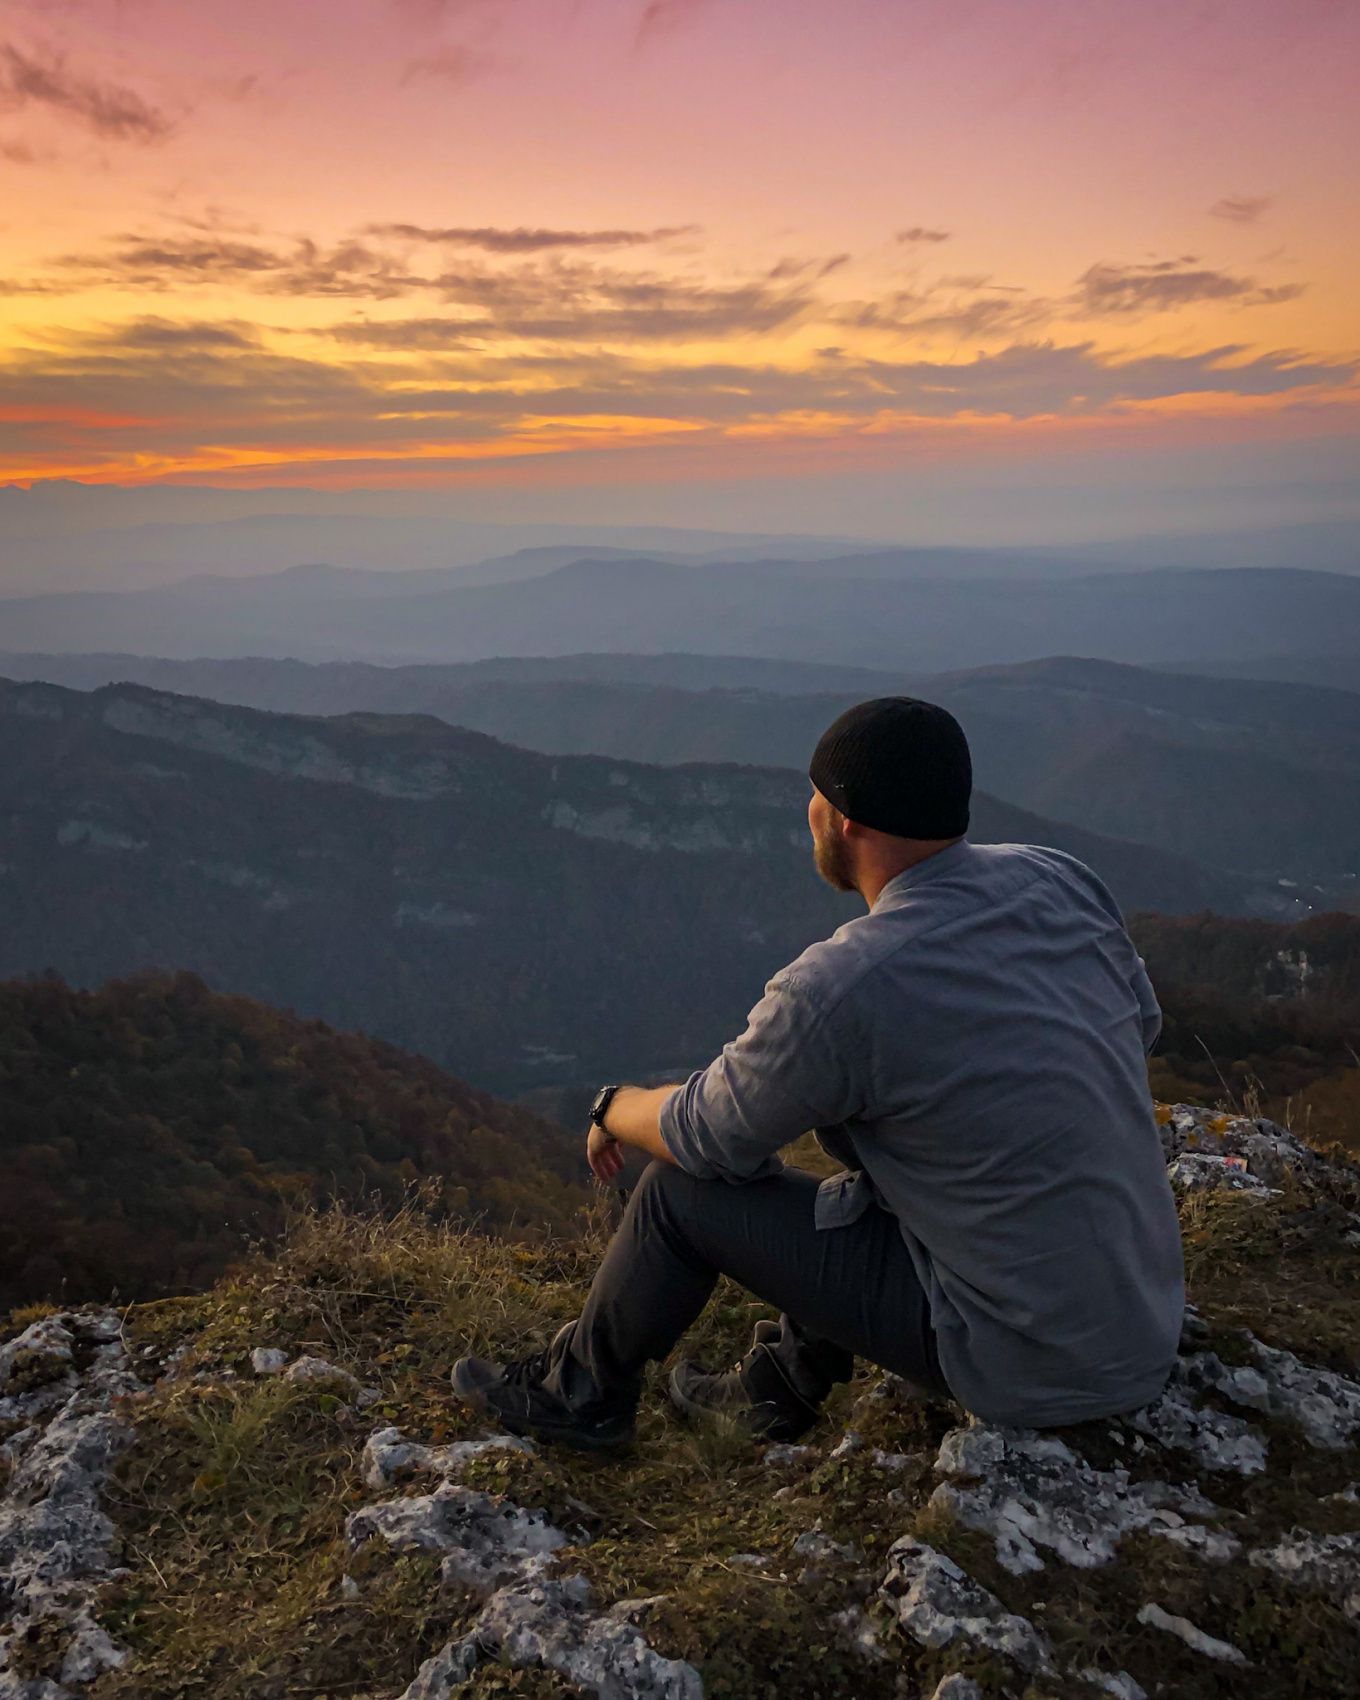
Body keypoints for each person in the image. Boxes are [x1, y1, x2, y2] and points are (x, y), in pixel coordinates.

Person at [451, 697, 1185, 1451]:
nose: (807, 810)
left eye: (816, 795)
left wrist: (612, 1106)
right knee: (901, 1143)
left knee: (678, 1193)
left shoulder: (844, 987)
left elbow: (705, 1138)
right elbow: (1140, 1026)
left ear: (846, 821)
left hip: (1026, 1361)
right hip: (1141, 1317)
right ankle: (774, 1392)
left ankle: (576, 1398)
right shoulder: (1060, 881)